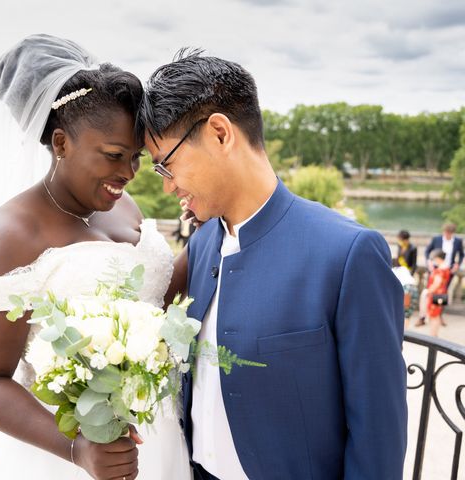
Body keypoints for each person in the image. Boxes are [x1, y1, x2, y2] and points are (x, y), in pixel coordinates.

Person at [137, 51, 407, 479]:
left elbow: (378, 434)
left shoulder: (348, 252)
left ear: (220, 134)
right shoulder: (204, 241)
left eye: (166, 165)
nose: (168, 186)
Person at [0, 34, 190, 480]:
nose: (128, 174)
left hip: (158, 441)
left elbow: (150, 303)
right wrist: (77, 450)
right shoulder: (9, 237)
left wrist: (208, 241)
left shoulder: (120, 205)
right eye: (115, 156)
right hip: (68, 458)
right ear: (61, 143)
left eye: (136, 157)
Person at [425, 249, 451, 337]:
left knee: (434, 316)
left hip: (436, 294)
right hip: (442, 294)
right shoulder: (446, 267)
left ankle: (433, 335)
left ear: (438, 258)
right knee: (437, 315)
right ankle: (435, 334)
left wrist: (428, 291)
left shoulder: (440, 270)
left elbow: (437, 283)